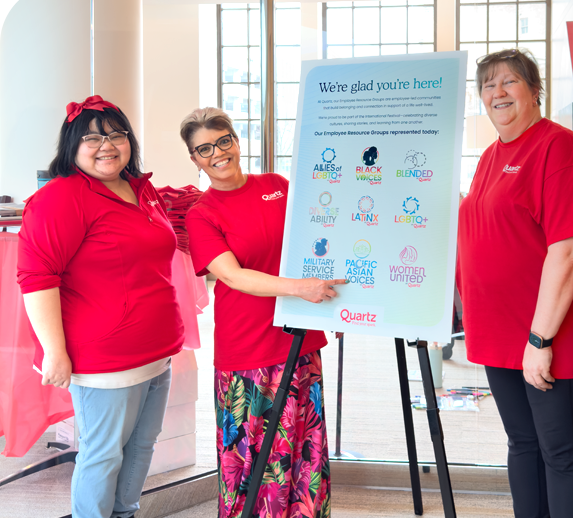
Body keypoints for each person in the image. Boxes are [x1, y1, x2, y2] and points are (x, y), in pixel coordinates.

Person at [17, 95, 185, 518]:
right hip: (105, 360)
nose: (106, 144)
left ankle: (124, 514)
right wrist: (55, 352)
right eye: (92, 138)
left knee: (142, 447)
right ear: (72, 146)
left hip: (157, 351)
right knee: (103, 455)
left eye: (115, 134)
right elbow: (37, 278)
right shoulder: (61, 198)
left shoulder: (137, 188)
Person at [457, 48, 573, 518]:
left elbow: (571, 250)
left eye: (510, 82)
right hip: (499, 335)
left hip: (548, 335)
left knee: (562, 455)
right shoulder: (490, 157)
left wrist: (540, 338)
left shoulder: (558, 150)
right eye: (488, 85)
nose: (497, 93)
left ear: (535, 90)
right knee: (523, 444)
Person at [180, 108, 344, 518]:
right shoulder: (202, 214)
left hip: (299, 340)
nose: (217, 153)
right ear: (195, 158)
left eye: (223, 141)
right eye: (204, 148)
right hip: (248, 352)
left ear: (236, 140)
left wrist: (336, 310)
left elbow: (315, 244)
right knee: (254, 463)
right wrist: (300, 289)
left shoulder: (276, 187)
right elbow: (233, 277)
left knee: (305, 455)